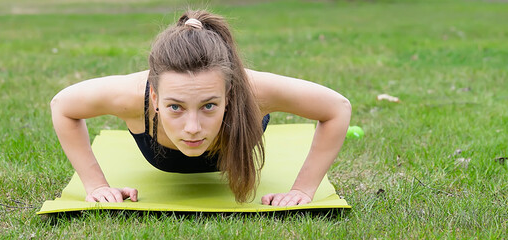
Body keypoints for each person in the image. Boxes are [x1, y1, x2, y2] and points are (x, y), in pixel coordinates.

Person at [49, 10, 351, 207]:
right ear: (154, 98)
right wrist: (96, 184)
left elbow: (337, 108)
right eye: (175, 107)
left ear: (229, 96)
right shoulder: (131, 97)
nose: (192, 127)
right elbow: (62, 106)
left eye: (209, 105)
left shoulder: (255, 92)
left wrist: (302, 190)